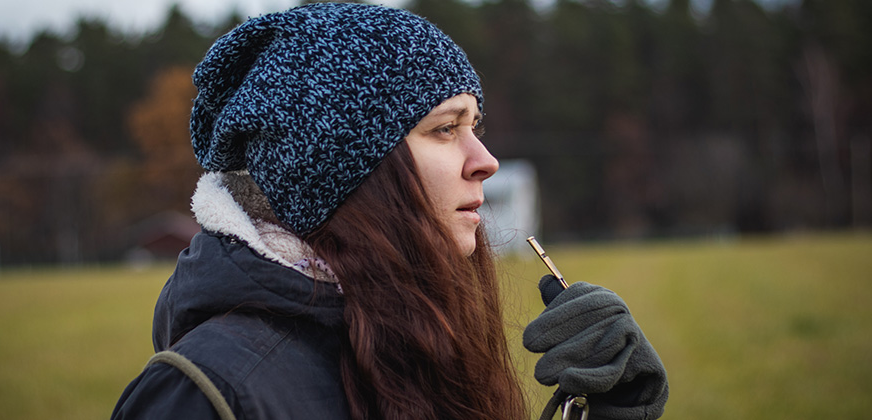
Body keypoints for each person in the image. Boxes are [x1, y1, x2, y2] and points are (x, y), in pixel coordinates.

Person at [111, 3, 668, 420]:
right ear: (339, 166)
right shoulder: (205, 396)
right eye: (445, 129)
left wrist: (614, 411)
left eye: (475, 126)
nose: (486, 161)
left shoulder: (411, 333)